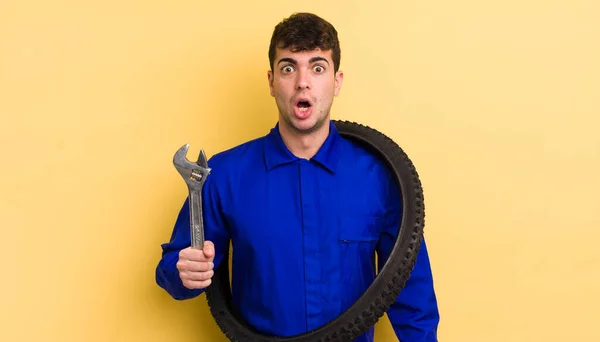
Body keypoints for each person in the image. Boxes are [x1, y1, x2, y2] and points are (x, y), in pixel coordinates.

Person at [156, 12, 439, 342]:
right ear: (272, 82)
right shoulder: (224, 176)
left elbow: (411, 292)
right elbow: (173, 271)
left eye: (317, 68)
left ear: (337, 81)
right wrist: (182, 272)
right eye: (288, 68)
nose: (302, 81)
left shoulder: (380, 177)